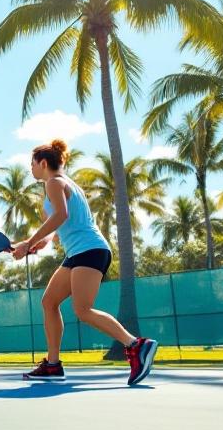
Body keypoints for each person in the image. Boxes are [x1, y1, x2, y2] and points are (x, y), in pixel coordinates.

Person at [10, 140, 157, 385]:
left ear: (43, 163)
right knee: (49, 301)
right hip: (78, 253)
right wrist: (32, 243)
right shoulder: (62, 185)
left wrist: (29, 242)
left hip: (90, 250)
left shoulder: (55, 183)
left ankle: (136, 345)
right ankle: (53, 364)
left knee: (82, 309)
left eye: (32, 163)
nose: (31, 168)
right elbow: (55, 231)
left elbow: (61, 215)